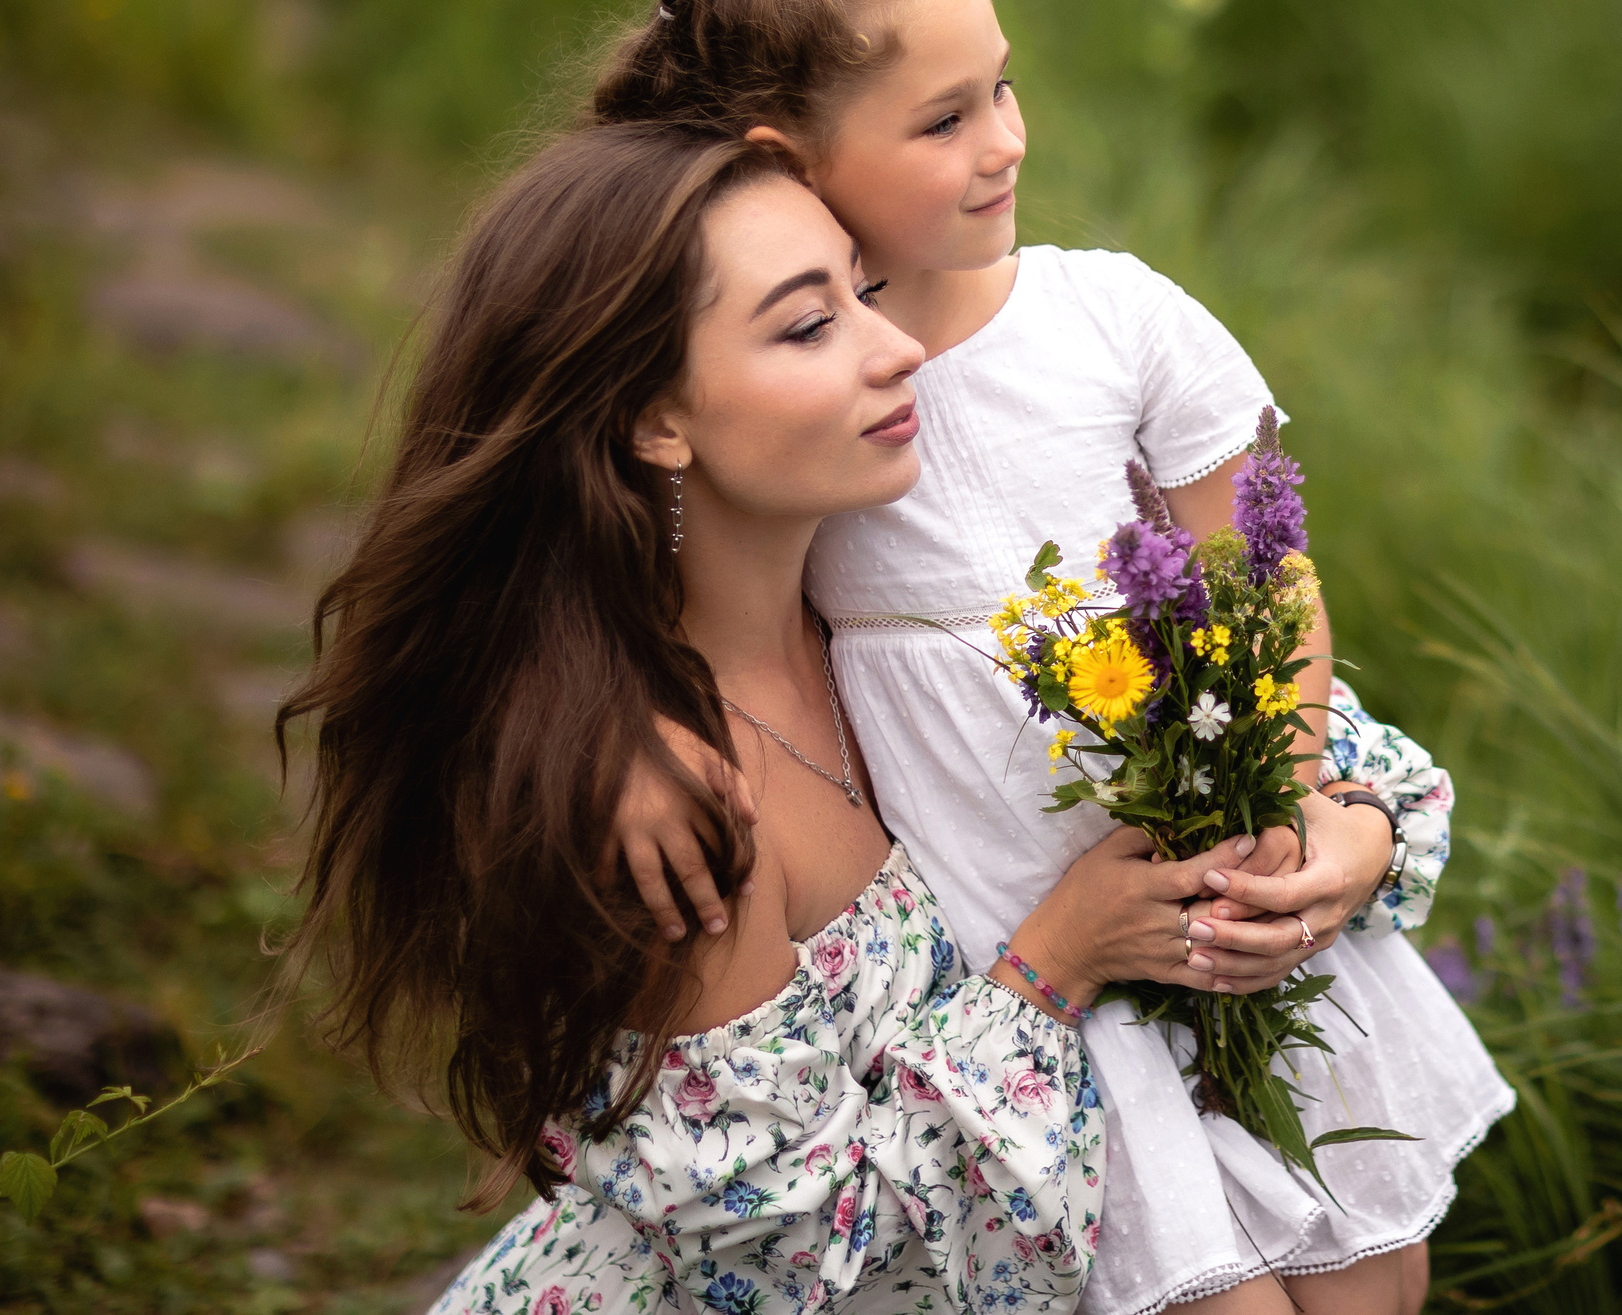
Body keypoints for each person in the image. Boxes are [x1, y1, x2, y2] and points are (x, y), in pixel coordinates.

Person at [589, 0, 1513, 1315]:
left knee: (1374, 1269)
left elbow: (1259, 586)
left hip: (1200, 858)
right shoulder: (780, 407)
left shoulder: (1103, 322)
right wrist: (626, 715)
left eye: (1003, 88)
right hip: (1019, 947)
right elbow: (613, 570)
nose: (1009, 139)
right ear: (792, 153)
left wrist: (1313, 806)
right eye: (945, 116)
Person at [280, 123, 1256, 1312]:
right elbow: (807, 1264)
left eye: (866, 291)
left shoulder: (881, 626)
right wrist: (1057, 963)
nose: (897, 349)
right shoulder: (667, 810)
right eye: (809, 325)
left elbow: (1242, 713)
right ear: (653, 420)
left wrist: (1358, 821)